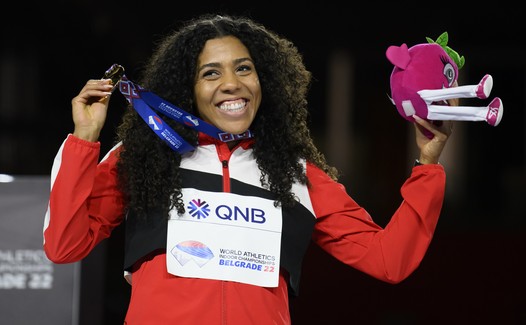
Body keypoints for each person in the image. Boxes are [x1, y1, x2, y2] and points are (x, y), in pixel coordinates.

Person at [42, 13, 453, 324]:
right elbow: (64, 245)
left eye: (243, 68)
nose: (232, 83)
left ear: (264, 82)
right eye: (210, 73)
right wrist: (84, 141)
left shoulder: (297, 175)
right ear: (188, 90)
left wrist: (428, 166)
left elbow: (388, 260)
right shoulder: (143, 158)